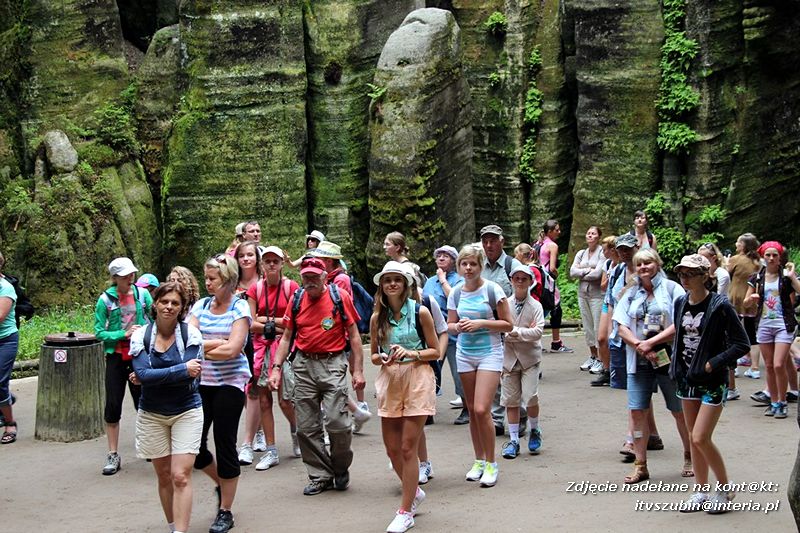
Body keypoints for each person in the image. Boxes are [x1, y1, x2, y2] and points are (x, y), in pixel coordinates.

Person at [267, 257, 365, 496]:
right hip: (303, 365)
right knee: (306, 427)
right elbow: (287, 337)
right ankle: (320, 475)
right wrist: (276, 368)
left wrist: (358, 370)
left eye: (314, 276)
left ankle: (340, 467)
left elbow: (354, 336)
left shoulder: (339, 297)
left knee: (338, 423)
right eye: (306, 276)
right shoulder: (297, 299)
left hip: (332, 363)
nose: (309, 281)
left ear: (324, 277)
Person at [669, 255, 750, 513]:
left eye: (690, 273)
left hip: (712, 380)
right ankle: (701, 491)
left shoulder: (720, 305)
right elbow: (679, 337)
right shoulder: (680, 302)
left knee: (700, 436)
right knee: (693, 438)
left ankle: (725, 489)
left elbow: (742, 344)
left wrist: (713, 363)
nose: (684, 278)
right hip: (686, 378)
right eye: (681, 273)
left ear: (705, 275)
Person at [370, 261, 440, 533]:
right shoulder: (377, 317)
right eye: (387, 280)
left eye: (397, 280)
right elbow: (373, 355)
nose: (392, 284)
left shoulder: (421, 312)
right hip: (390, 380)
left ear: (406, 284)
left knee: (408, 447)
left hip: (418, 378)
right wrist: (383, 357)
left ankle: (405, 511)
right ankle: (414, 492)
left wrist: (411, 353)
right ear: (382, 286)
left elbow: (435, 351)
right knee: (392, 449)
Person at [613, 248, 692, 483]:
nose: (643, 267)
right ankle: (641, 465)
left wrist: (651, 343)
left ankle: (690, 456)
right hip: (639, 360)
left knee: (679, 410)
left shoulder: (672, 289)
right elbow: (620, 325)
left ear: (657, 264)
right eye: (639, 264)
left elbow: (681, 322)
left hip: (667, 358)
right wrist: (639, 344)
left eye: (648, 262)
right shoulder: (630, 293)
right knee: (637, 411)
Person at [130, 282, 204, 533]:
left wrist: (151, 376)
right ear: (155, 304)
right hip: (152, 413)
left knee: (180, 475)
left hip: (187, 410)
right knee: (163, 475)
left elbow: (189, 375)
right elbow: (142, 373)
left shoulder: (191, 335)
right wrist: (181, 369)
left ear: (182, 308)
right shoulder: (141, 336)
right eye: (164, 301)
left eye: (175, 303)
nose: (169, 307)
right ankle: (173, 526)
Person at [188, 255, 252, 533]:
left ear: (228, 280)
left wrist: (204, 346)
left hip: (231, 383)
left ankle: (225, 510)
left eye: (212, 278)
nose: (208, 283)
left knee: (224, 443)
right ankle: (221, 483)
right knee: (194, 446)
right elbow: (187, 343)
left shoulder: (240, 308)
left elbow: (233, 350)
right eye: (206, 277)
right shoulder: (200, 306)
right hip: (202, 383)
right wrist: (216, 342)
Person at [447, 244, 513, 487]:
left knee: (483, 409)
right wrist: (458, 327)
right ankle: (479, 460)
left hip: (490, 353)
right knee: (473, 410)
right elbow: (449, 325)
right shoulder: (456, 293)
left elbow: (508, 324)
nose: (468, 268)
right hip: (465, 354)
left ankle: (492, 463)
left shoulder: (492, 289)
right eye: (464, 264)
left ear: (480, 266)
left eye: (472, 264)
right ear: (459, 267)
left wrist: (481, 323)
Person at [242, 246, 301, 470]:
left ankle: (296, 431)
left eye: (275, 261)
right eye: (267, 261)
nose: (272, 264)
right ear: (262, 264)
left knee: (285, 400)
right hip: (261, 349)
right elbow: (250, 323)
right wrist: (278, 323)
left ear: (282, 263)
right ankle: (271, 450)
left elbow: (294, 321)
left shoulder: (291, 287)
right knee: (264, 400)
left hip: (284, 348)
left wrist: (266, 320)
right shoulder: (255, 289)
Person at [94, 257, 153, 475]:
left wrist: (143, 332)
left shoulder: (143, 295)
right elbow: (99, 332)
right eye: (125, 275)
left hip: (139, 355)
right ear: (115, 278)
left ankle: (149, 445)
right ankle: (113, 454)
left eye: (132, 274)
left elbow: (154, 320)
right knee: (113, 404)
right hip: (116, 357)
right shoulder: (105, 300)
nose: (130, 278)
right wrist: (123, 333)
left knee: (144, 402)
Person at [309, 241, 372, 429]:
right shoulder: (330, 277)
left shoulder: (340, 279)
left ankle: (356, 411)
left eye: (319, 258)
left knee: (331, 379)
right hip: (335, 334)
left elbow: (339, 307)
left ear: (328, 261)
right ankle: (358, 410)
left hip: (339, 335)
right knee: (332, 379)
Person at [479, 224, 525, 437]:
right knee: (494, 373)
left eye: (493, 241)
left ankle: (520, 415)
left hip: (510, 328)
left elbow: (523, 294)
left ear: (502, 242)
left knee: (512, 374)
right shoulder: (480, 266)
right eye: (485, 241)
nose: (489, 245)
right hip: (488, 330)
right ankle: (496, 418)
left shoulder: (511, 265)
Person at [744, 241, 800, 418]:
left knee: (778, 364)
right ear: (763, 257)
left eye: (775, 255)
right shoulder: (756, 278)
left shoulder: (786, 277)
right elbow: (745, 302)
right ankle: (774, 402)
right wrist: (751, 299)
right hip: (764, 324)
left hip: (784, 325)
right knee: (769, 366)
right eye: (768, 255)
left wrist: (793, 276)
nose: (771, 258)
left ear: (780, 257)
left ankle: (782, 402)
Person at [500, 265, 545, 459]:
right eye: (516, 278)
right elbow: (501, 329)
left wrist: (515, 332)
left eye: (524, 279)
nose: (520, 282)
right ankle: (514, 440)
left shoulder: (536, 306)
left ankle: (534, 429)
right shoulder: (504, 304)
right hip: (509, 359)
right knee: (511, 400)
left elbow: (538, 332)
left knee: (531, 396)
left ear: (530, 281)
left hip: (530, 359)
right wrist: (523, 332)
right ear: (511, 280)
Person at [422, 245, 467, 425]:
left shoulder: (459, 279)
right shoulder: (429, 282)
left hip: (453, 334)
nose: (441, 258)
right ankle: (427, 410)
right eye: (438, 255)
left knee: (459, 373)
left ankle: (467, 408)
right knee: (429, 373)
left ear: (453, 260)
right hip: (433, 334)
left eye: (446, 256)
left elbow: (455, 299)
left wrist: (442, 280)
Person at [697, 242, 738, 401]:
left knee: (725, 349)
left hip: (721, 315)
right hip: (705, 314)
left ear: (713, 258)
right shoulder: (702, 273)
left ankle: (731, 387)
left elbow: (719, 298)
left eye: (704, 257)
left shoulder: (722, 274)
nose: (701, 260)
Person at [571, 226, 606, 373]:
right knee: (587, 327)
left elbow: (598, 274)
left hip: (597, 295)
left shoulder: (602, 252)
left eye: (593, 233)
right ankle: (593, 355)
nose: (590, 235)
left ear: (598, 237)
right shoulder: (581, 253)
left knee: (597, 327)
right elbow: (572, 271)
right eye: (588, 233)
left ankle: (601, 359)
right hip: (582, 294)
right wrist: (587, 270)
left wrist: (581, 271)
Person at [727, 233, 762, 380]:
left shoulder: (735, 259)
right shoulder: (757, 262)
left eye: (738, 242)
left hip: (736, 299)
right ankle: (755, 368)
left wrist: (726, 262)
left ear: (743, 246)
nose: (736, 244)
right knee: (751, 333)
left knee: (732, 333)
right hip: (751, 299)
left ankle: (733, 368)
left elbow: (726, 274)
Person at [537, 219, 573, 352]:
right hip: (548, 282)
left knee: (539, 310)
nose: (559, 232)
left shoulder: (538, 243)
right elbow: (552, 268)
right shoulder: (552, 245)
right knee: (556, 309)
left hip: (538, 280)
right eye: (556, 230)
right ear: (550, 231)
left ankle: (535, 342)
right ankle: (556, 343)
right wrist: (556, 275)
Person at [591, 235, 619, 386]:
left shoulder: (624, 265)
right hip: (607, 301)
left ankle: (617, 370)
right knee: (602, 338)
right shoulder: (608, 264)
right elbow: (602, 286)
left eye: (605, 250)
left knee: (613, 338)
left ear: (613, 250)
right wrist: (611, 276)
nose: (603, 253)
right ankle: (606, 370)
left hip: (619, 303)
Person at [0, 251, 19, 444]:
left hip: (5, 341)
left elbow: (0, 316)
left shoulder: (5, 288)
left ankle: (10, 423)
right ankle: (7, 399)